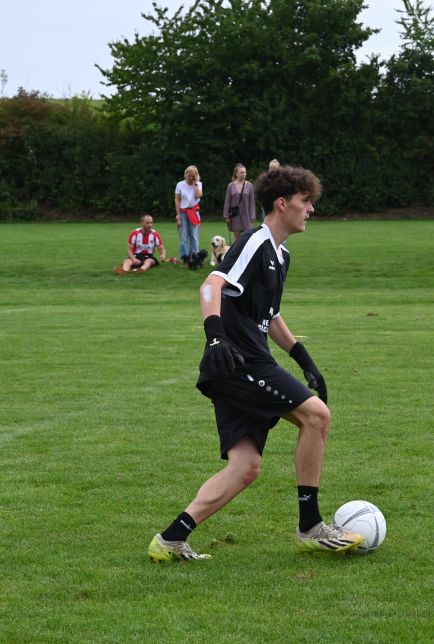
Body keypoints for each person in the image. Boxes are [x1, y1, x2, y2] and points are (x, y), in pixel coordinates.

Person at [148, 165, 364, 562]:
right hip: (237, 362)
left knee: (245, 467)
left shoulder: (281, 255)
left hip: (243, 363)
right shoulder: (254, 242)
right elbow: (211, 285)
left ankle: (170, 539)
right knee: (317, 417)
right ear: (282, 203)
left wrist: (303, 359)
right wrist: (214, 336)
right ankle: (311, 527)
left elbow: (271, 316)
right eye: (305, 201)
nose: (311, 210)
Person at [175, 165, 204, 269]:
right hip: (183, 212)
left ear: (196, 175)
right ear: (186, 174)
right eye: (189, 175)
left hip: (194, 212)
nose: (191, 178)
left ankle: (195, 256)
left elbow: (198, 195)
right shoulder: (180, 185)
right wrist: (178, 214)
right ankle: (185, 257)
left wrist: (195, 184)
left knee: (194, 236)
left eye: (193, 176)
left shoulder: (198, 184)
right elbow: (177, 200)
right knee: (183, 236)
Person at [222, 164, 256, 241]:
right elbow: (227, 201)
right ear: (236, 174)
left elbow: (252, 202)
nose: (244, 174)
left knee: (247, 239)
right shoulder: (230, 186)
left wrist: (252, 216)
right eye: (241, 172)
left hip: (247, 216)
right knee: (237, 240)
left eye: (245, 172)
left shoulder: (250, 185)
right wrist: (226, 216)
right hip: (235, 215)